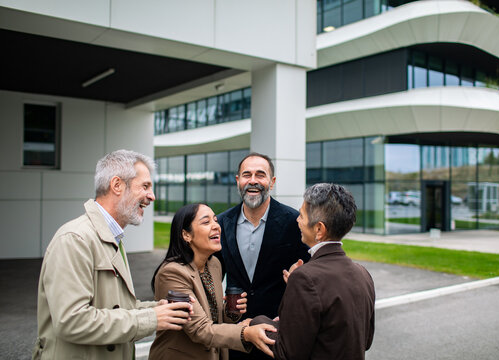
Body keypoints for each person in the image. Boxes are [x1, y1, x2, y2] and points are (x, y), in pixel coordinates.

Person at [33, 150, 193, 360]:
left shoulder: (111, 237)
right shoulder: (74, 239)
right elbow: (71, 321)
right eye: (145, 186)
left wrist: (157, 308)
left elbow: (117, 308)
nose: (152, 196)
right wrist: (151, 319)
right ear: (117, 185)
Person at [251, 183, 376, 360]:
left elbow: (287, 352)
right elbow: (365, 340)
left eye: (301, 215)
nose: (297, 220)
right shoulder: (363, 273)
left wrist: (256, 322)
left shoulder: (304, 278)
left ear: (319, 229)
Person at [149, 203, 276, 360]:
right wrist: (245, 333)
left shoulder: (214, 264)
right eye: (206, 222)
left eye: (215, 220)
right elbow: (200, 329)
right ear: (186, 235)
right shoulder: (172, 274)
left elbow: (212, 317)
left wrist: (230, 311)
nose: (216, 226)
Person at [217, 153, 310, 359]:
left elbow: (311, 273)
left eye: (260, 175)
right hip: (236, 333)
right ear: (238, 181)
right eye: (246, 175)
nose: (252, 181)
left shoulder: (294, 222)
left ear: (272, 181)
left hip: (278, 332)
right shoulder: (221, 223)